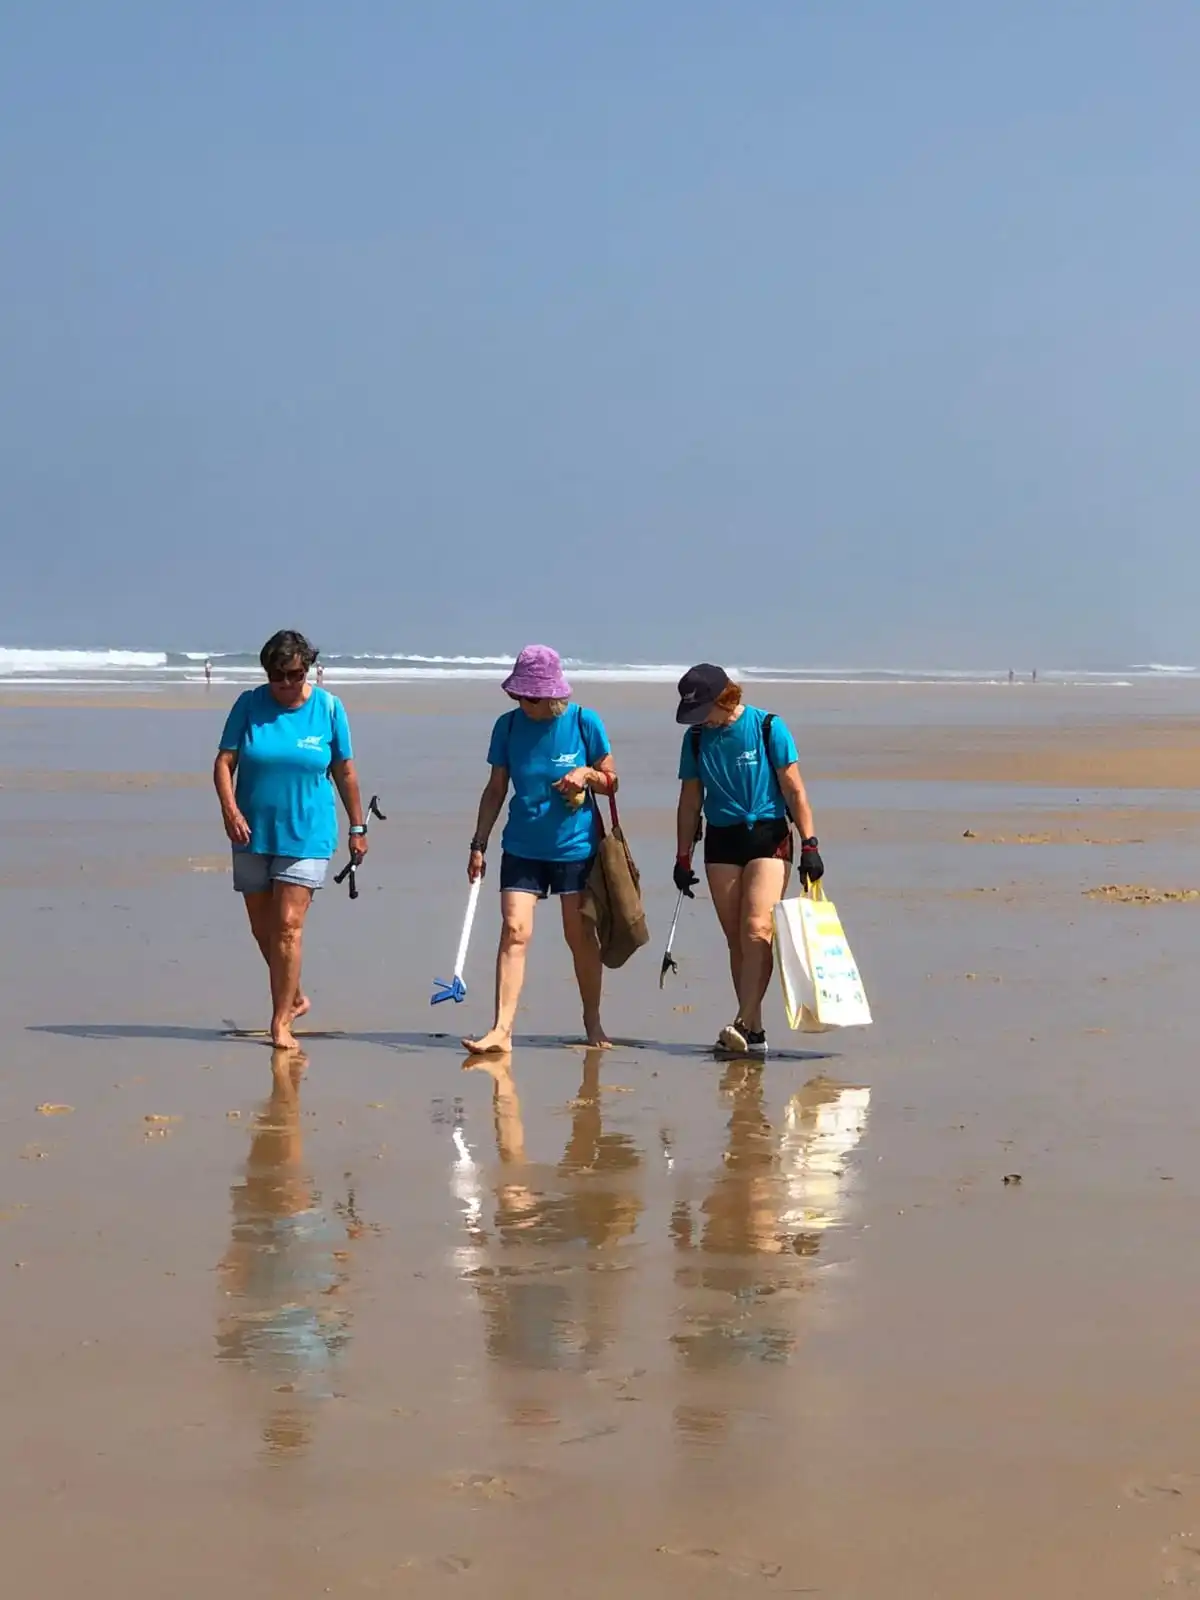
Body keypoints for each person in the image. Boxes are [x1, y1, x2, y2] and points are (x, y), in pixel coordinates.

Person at [213, 629, 368, 1049]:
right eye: (277, 676)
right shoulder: (248, 705)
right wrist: (230, 811)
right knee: (262, 928)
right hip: (251, 831)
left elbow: (345, 771)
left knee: (287, 926)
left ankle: (280, 1020)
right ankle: (295, 996)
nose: (285, 684)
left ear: (308, 670)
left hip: (308, 832)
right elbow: (224, 762)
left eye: (294, 675)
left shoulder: (329, 708)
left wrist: (357, 827)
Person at [463, 645, 618, 1054]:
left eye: (532, 697)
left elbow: (611, 780)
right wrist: (478, 843)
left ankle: (592, 1020)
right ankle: (501, 1030)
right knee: (515, 930)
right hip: (521, 845)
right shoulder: (507, 726)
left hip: (575, 848)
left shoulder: (584, 722)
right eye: (519, 695)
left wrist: (586, 775)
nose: (524, 703)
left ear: (553, 695)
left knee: (579, 936)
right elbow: (495, 789)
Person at [672, 663, 823, 1058]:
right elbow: (690, 800)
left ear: (724, 699)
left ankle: (742, 1021)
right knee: (736, 940)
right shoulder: (695, 740)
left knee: (757, 930)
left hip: (767, 835)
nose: (700, 720)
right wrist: (682, 856)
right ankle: (753, 1033)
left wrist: (810, 845)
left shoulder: (768, 727)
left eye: (703, 710)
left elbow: (794, 790)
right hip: (721, 840)